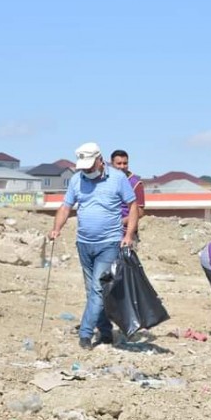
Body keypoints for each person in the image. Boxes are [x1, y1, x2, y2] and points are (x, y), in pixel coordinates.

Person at [49, 142, 138, 350]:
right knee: (93, 291)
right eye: (84, 168)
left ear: (100, 160)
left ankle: (85, 334)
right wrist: (56, 228)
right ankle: (106, 333)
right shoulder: (75, 180)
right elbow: (65, 207)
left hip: (109, 243)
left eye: (90, 166)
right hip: (84, 244)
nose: (87, 171)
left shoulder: (117, 178)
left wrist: (129, 234)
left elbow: (133, 206)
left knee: (98, 288)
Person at [110, 150, 145, 239]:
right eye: (119, 163)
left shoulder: (135, 183)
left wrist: (120, 222)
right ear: (112, 164)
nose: (122, 166)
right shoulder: (106, 181)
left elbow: (140, 212)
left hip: (125, 233)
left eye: (125, 163)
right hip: (106, 233)